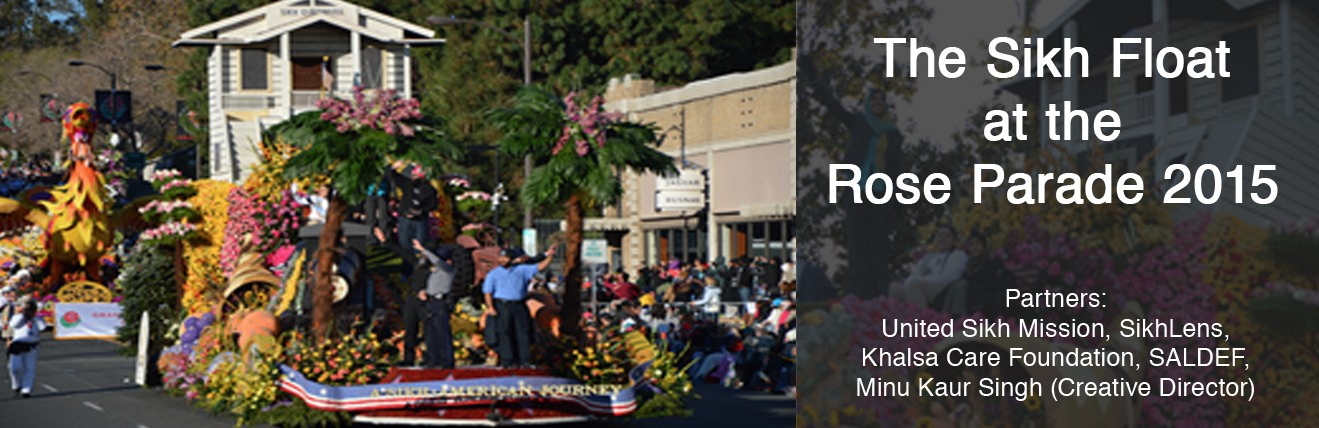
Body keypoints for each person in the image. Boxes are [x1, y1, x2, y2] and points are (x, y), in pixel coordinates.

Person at [483, 245, 556, 368]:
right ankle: (507, 361)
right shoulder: (493, 274)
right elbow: (487, 292)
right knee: (505, 333)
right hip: (502, 305)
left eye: (505, 258)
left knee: (522, 332)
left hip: (519, 305)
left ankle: (525, 360)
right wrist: (491, 307)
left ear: (511, 258)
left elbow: (540, 266)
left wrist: (550, 256)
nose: (502, 260)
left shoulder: (522, 270)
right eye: (501, 257)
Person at [888, 224, 968, 308]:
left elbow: (952, 276)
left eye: (947, 236)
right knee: (894, 288)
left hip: (945, 288)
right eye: (940, 235)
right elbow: (915, 274)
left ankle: (920, 319)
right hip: (924, 285)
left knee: (914, 286)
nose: (943, 238)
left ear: (953, 240)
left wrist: (926, 279)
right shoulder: (928, 258)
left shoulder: (959, 255)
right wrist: (907, 284)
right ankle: (895, 318)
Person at [413, 239, 456, 369]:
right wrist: (424, 292)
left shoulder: (448, 269)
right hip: (430, 302)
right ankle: (433, 359)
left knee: (442, 332)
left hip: (440, 302)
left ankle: (446, 360)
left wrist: (422, 249)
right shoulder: (436, 272)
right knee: (430, 333)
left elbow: (438, 261)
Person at [388, 161, 438, 266]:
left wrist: (420, 212)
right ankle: (406, 269)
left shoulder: (429, 189)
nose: (413, 176)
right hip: (405, 218)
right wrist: (393, 167)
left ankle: (420, 269)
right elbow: (393, 176)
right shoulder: (408, 184)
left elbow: (433, 205)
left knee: (419, 246)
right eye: (412, 174)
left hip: (420, 220)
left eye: (415, 175)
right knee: (404, 244)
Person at [961, 233, 1017, 317]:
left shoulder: (993, 263)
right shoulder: (969, 266)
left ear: (984, 246)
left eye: (977, 244)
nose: (974, 248)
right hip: (973, 304)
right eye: (971, 245)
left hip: (987, 306)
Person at [8, 296, 45, 398]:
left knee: (30, 368)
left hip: (31, 345)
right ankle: (16, 385)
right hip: (18, 344)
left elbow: (42, 327)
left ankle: (26, 389)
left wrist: (34, 316)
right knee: (14, 367)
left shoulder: (36, 319)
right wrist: (21, 313)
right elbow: (14, 325)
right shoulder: (18, 317)